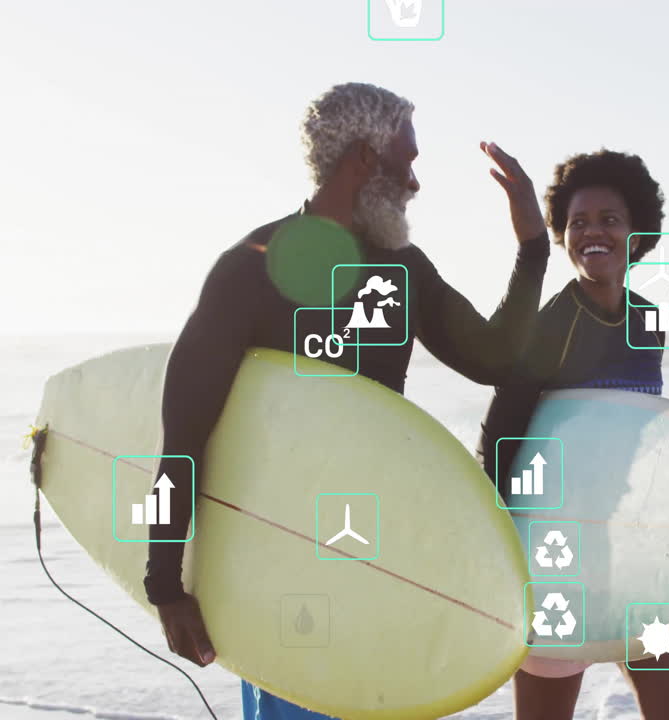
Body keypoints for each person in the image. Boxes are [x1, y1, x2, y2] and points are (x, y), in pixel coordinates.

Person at [143, 82, 550, 719]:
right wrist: (165, 586)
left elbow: (495, 358)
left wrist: (532, 249)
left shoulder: (402, 269)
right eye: (407, 161)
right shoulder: (251, 270)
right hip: (279, 564)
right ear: (364, 159)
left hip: (377, 559)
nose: (415, 183)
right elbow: (184, 438)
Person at [476, 149, 669, 719]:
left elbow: (644, 440)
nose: (592, 233)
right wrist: (493, 551)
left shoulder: (647, 321)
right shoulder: (554, 323)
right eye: (578, 223)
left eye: (609, 219)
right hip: (556, 561)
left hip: (634, 557)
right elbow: (500, 438)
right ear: (562, 236)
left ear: (637, 233)